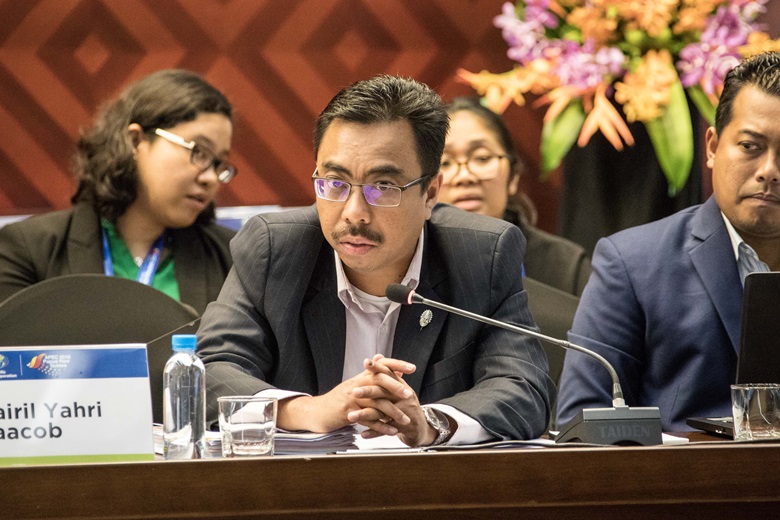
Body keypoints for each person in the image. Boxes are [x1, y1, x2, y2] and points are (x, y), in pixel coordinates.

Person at [197, 75, 553, 447]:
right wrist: (308, 410)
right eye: (335, 182)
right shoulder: (275, 249)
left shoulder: (481, 256)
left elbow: (523, 388)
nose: (354, 213)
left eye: (383, 186)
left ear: (430, 194)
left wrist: (430, 424)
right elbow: (211, 369)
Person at [556, 52, 780, 432]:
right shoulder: (632, 263)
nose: (769, 171)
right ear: (712, 147)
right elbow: (582, 423)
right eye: (750, 146)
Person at [0, 69, 237, 315]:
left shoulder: (233, 258)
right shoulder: (28, 250)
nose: (211, 178)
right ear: (136, 141)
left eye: (218, 163)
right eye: (199, 152)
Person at [438, 97, 591, 296]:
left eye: (482, 158)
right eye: (445, 163)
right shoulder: (407, 263)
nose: (465, 176)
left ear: (513, 178)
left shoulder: (566, 267)